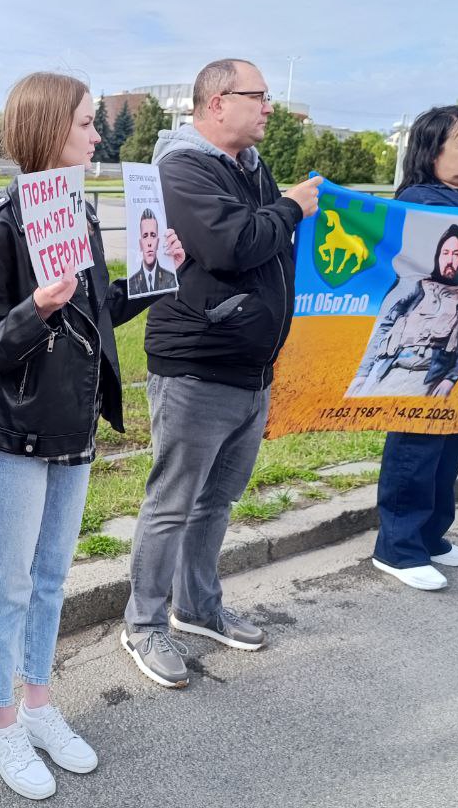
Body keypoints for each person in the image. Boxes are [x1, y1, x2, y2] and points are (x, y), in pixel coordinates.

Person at [0, 71, 184, 800]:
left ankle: (38, 705)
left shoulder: (78, 216)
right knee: (9, 581)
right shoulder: (1, 224)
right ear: (50, 129)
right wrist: (34, 308)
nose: (98, 135)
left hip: (74, 426)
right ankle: (0, 727)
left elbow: (94, 313)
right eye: (88, 124)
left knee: (52, 578)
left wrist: (155, 277)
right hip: (17, 433)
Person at [121, 59, 321, 687]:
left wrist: (281, 211)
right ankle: (144, 625)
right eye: (258, 96)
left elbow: (269, 243)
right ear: (215, 104)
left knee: (218, 499)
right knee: (172, 502)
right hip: (198, 365)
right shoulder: (182, 167)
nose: (269, 107)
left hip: (250, 368)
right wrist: (289, 208)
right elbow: (232, 244)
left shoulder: (250, 167)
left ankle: (198, 607)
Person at [370, 105, 458, 592]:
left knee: (452, 441)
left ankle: (432, 535)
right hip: (421, 345)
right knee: (417, 445)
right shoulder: (421, 199)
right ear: (434, 149)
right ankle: (397, 548)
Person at [347, 224, 458, 397]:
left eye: (456, 254)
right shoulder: (418, 287)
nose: (450, 260)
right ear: (437, 256)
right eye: (445, 253)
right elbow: (385, 327)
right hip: (390, 372)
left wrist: (451, 378)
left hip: (428, 378)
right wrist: (362, 373)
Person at [127, 208, 178, 295]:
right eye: (145, 236)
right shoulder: (131, 283)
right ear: (140, 244)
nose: (149, 243)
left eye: (153, 235)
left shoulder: (170, 279)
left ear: (158, 242)